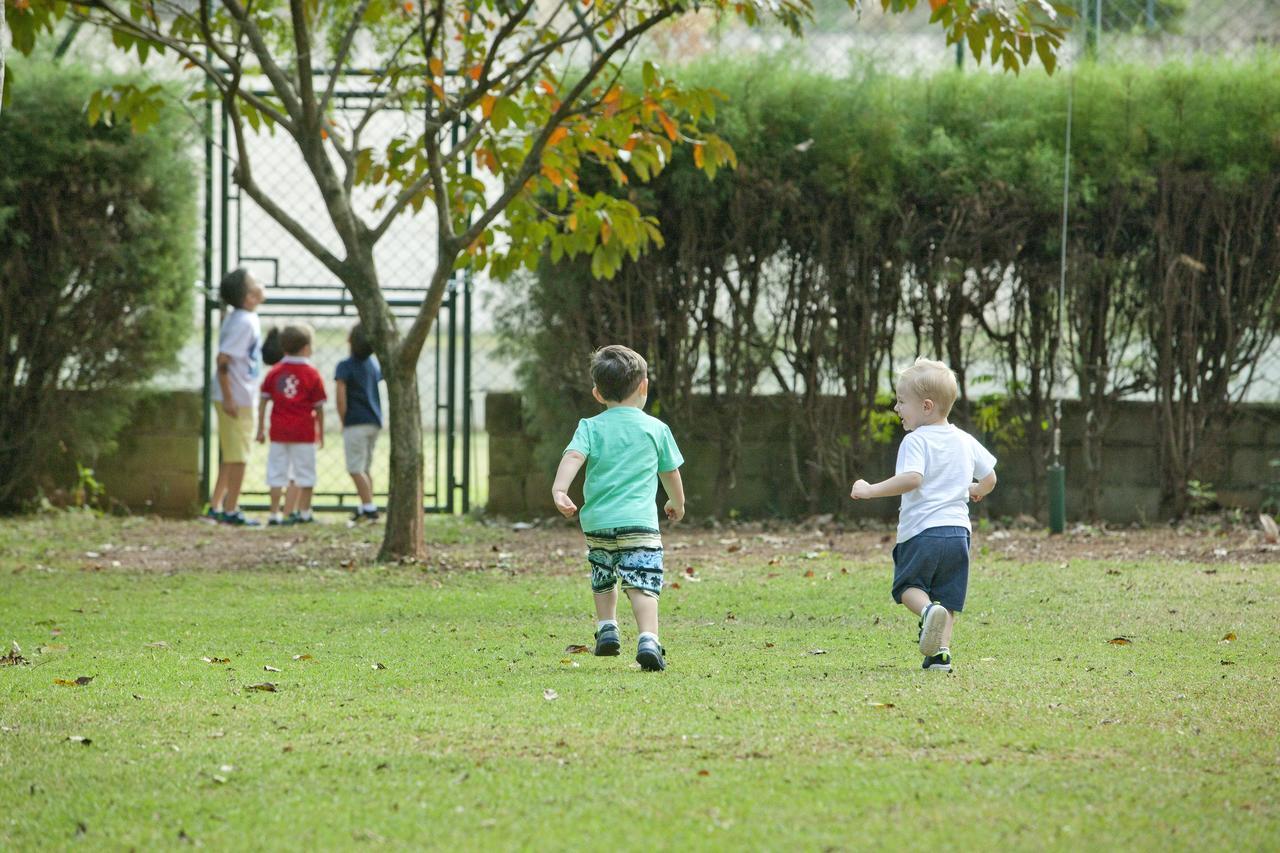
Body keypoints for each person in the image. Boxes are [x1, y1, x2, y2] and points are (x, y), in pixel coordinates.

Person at [850, 357, 997, 673]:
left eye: (902, 402)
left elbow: (912, 478)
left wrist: (871, 489)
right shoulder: (964, 439)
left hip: (923, 532)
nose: (897, 408)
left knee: (908, 589)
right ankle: (939, 655)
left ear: (927, 406)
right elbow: (991, 478)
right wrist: (975, 489)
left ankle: (927, 611)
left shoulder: (915, 440)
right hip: (958, 534)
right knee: (949, 598)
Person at [551, 345, 686, 672]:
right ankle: (648, 639)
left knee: (603, 572)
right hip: (639, 524)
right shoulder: (656, 429)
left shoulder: (590, 427)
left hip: (597, 523)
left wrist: (560, 489)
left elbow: (573, 457)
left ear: (598, 394)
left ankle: (607, 627)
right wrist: (677, 503)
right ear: (644, 386)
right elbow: (670, 472)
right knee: (642, 581)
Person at [208, 269, 265, 527]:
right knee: (239, 456)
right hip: (236, 398)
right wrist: (229, 397)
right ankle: (230, 510)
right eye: (255, 284)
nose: (260, 286)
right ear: (249, 297)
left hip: (238, 394)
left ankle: (216, 504)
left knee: (231, 454)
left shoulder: (243, 318)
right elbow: (223, 361)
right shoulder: (244, 322)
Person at [256, 325, 327, 526]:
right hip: (304, 432)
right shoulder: (312, 374)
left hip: (279, 432)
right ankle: (304, 512)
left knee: (277, 472)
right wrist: (320, 432)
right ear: (306, 348)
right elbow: (319, 407)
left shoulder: (274, 372)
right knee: (306, 472)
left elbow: (263, 401)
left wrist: (261, 428)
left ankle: (274, 513)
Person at [334, 323, 383, 522]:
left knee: (355, 468)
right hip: (374, 421)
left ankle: (370, 508)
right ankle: (365, 505)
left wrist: (343, 418)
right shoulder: (373, 365)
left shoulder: (344, 366)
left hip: (355, 422)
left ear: (349, 341)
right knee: (365, 467)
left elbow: (340, 397)